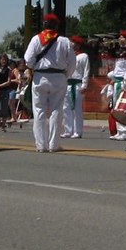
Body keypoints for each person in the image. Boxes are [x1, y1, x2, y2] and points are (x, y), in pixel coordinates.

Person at [24, 13, 76, 153]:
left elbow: (28, 59)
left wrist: (33, 67)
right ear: (56, 26)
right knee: (56, 110)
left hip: (40, 77)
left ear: (44, 24)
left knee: (38, 110)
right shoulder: (64, 41)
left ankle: (41, 145)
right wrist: (66, 75)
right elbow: (72, 62)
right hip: (58, 76)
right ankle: (54, 144)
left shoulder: (36, 39)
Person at [62, 36, 89, 139]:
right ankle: (68, 130)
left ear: (77, 44)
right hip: (67, 84)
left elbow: (86, 71)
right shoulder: (67, 56)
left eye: (73, 42)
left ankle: (77, 131)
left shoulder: (83, 56)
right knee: (66, 108)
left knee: (76, 109)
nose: (70, 44)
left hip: (77, 84)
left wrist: (84, 84)